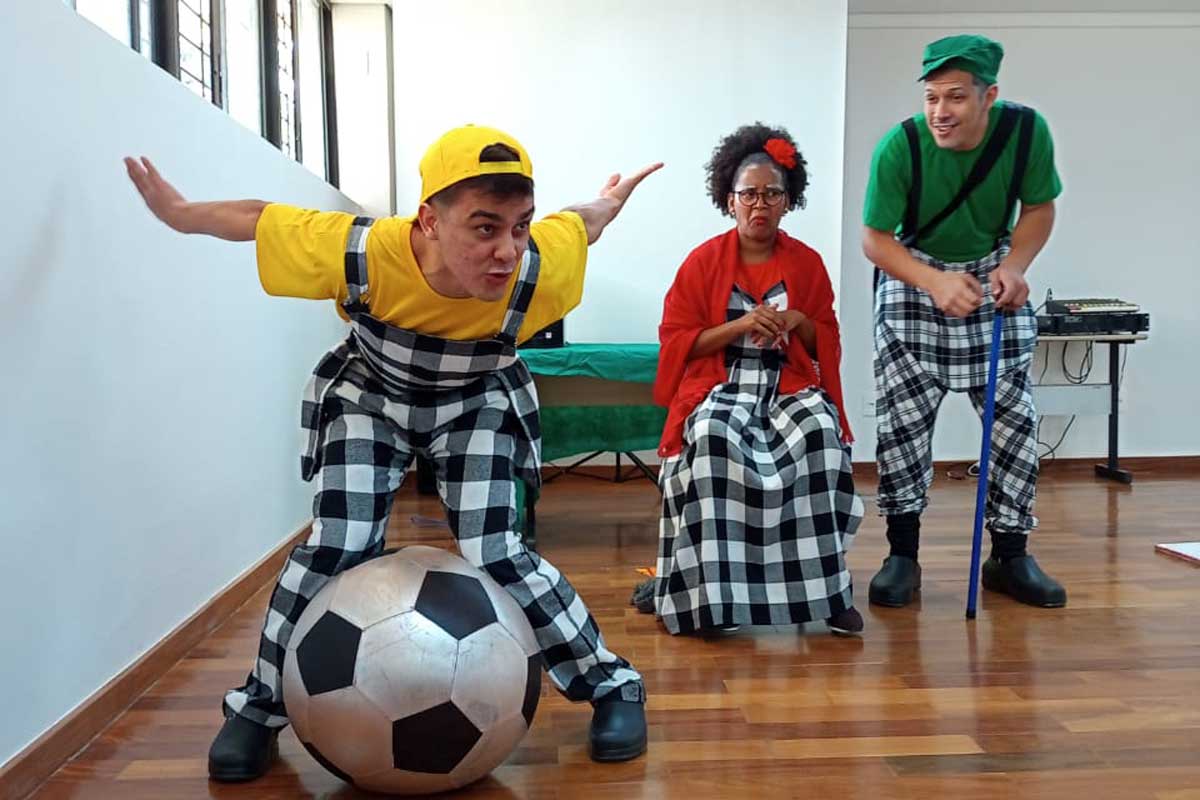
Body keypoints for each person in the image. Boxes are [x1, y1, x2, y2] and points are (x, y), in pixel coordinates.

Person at [124, 125, 661, 780]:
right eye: (484, 228)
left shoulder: (540, 266)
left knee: (499, 552)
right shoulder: (364, 253)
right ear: (429, 221)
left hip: (474, 402)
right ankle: (257, 707)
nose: (507, 251)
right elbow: (259, 218)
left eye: (520, 227)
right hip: (370, 399)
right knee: (336, 544)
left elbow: (582, 222)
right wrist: (181, 215)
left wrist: (611, 199)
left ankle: (612, 685)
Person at [862, 34, 1067, 610]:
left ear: (988, 96)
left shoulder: (1026, 134)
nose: (939, 112)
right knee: (902, 428)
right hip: (913, 277)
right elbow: (876, 241)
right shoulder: (899, 148)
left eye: (954, 97)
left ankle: (1010, 554)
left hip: (990, 275)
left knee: (1013, 426)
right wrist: (934, 282)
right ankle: (902, 555)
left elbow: (1039, 207)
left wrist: (1016, 265)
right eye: (931, 97)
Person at [646, 123, 864, 636]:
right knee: (713, 438)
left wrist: (798, 322)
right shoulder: (701, 263)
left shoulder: (807, 264)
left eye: (772, 194)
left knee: (820, 437)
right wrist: (739, 325)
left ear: (789, 201)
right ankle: (712, 602)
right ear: (728, 200)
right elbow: (677, 341)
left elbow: (825, 337)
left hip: (785, 384)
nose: (759, 204)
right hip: (720, 384)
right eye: (749, 194)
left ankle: (827, 592)